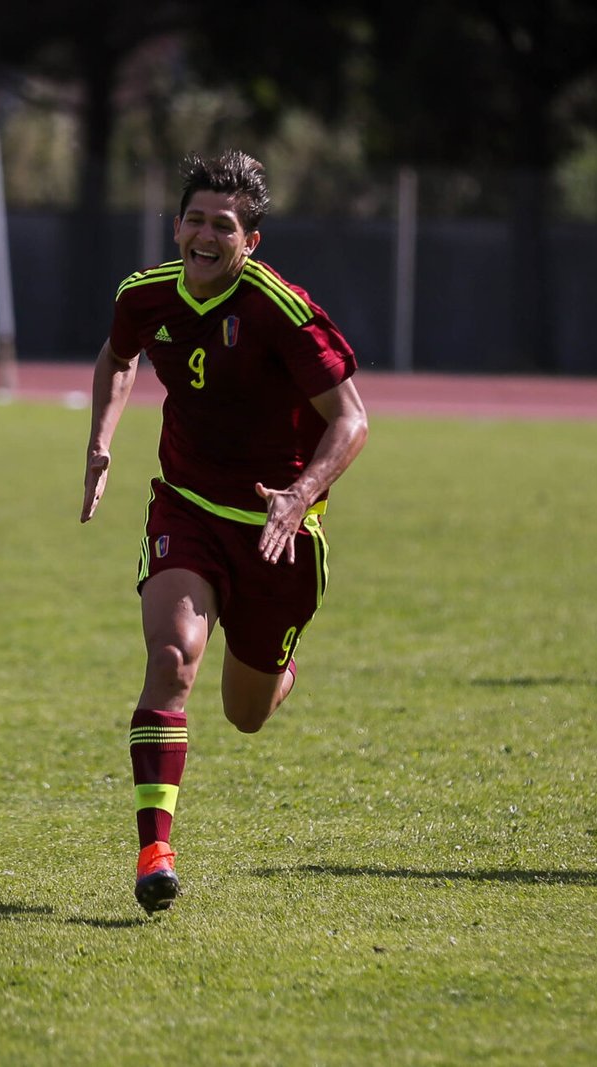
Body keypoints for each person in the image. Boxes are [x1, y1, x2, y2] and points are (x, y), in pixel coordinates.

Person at [80, 150, 369, 913]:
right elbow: (118, 355)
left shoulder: (281, 309)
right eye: (196, 221)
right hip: (187, 508)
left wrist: (299, 496)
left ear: (251, 241)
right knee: (172, 655)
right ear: (177, 225)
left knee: (246, 713)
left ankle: (278, 668)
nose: (206, 236)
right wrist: (101, 442)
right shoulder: (145, 294)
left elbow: (351, 419)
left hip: (279, 532)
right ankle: (154, 851)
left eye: (225, 226)